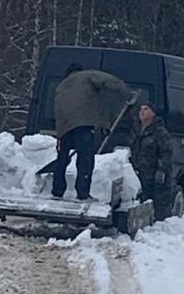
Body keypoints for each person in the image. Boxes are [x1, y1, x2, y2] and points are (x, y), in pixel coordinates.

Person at [52, 64, 133, 201]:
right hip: (83, 125)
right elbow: (108, 80)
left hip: (63, 127)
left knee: (62, 159)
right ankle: (82, 194)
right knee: (85, 159)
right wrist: (125, 90)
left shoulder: (61, 86)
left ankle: (57, 191)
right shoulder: (87, 75)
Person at [130, 102, 174, 219]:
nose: (142, 112)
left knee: (158, 205)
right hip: (139, 174)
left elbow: (166, 152)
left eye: (146, 109)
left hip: (154, 175)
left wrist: (161, 170)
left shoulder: (159, 131)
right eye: (141, 109)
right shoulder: (136, 131)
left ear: (153, 113)